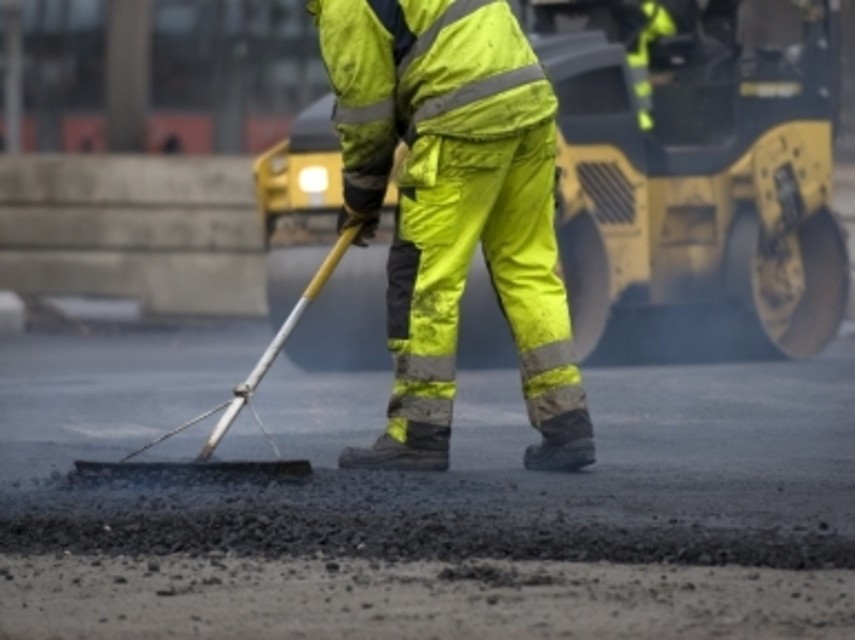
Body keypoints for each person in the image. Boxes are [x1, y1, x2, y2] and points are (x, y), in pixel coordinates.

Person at [307, 0, 595, 472]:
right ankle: (567, 423)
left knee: (425, 281)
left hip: (462, 123)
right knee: (528, 269)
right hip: (530, 107)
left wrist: (361, 198)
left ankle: (418, 433)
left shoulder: (345, 5)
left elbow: (366, 113)